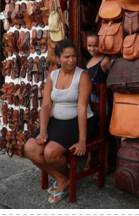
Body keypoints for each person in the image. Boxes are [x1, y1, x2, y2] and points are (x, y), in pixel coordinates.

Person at [25, 39, 94, 204]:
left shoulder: (82, 76)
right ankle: (62, 177)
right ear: (58, 58)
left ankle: (63, 178)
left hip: (77, 121)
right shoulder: (53, 75)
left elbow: (82, 109)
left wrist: (82, 141)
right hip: (57, 120)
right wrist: (43, 131)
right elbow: (47, 105)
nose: (71, 60)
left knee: (50, 153)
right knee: (30, 148)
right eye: (66, 57)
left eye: (74, 56)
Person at [83, 30, 111, 178]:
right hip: (89, 100)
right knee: (90, 130)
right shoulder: (88, 61)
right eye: (89, 45)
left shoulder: (105, 60)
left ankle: (105, 165)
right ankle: (90, 159)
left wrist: (101, 89)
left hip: (101, 101)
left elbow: (112, 80)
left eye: (95, 45)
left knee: (103, 132)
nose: (92, 49)